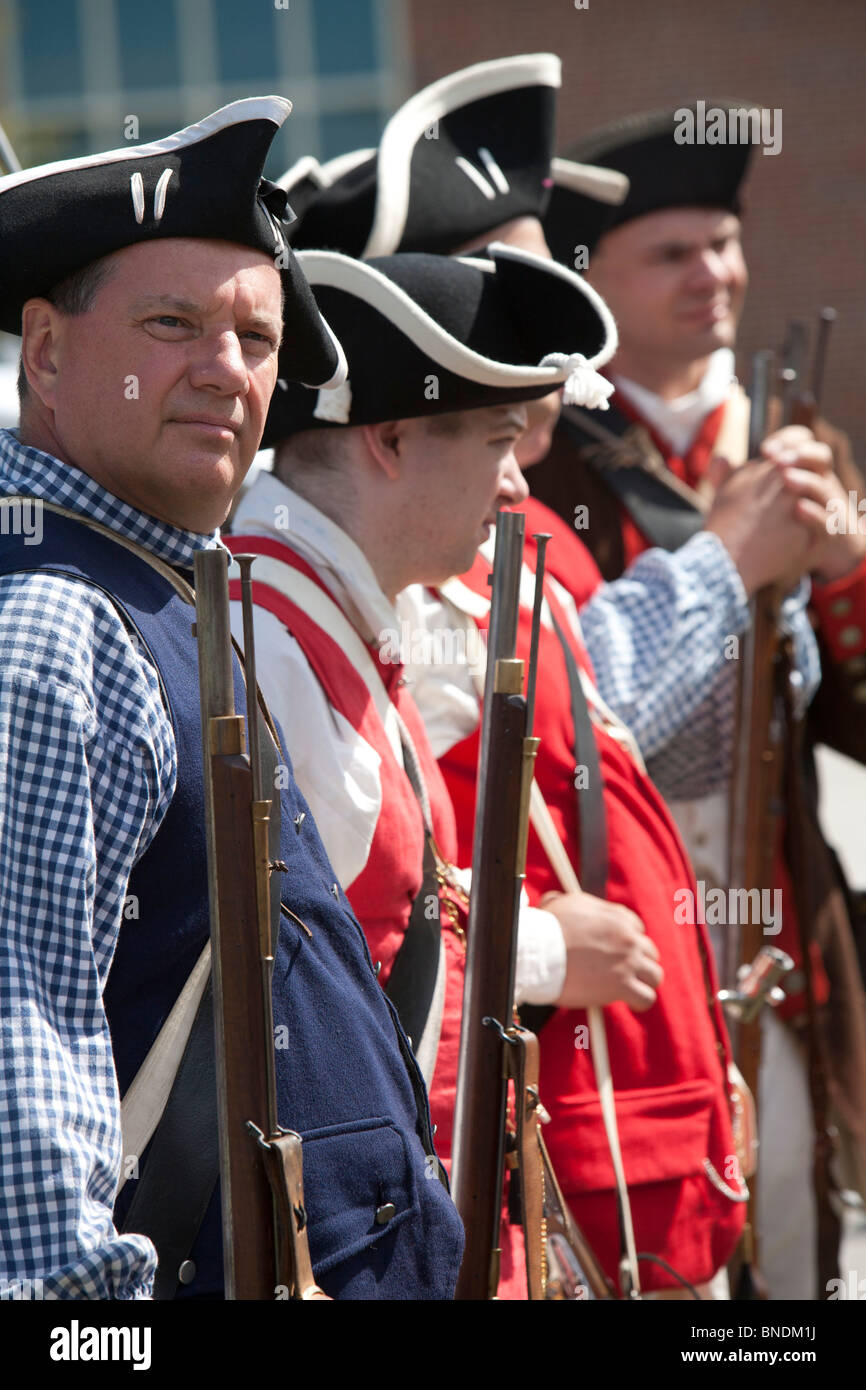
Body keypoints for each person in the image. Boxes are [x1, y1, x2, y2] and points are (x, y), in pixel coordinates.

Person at [279, 59, 829, 1296]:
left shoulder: (506, 500)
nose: (550, 306)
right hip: (535, 1128)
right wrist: (529, 954)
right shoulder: (409, 531)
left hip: (644, 1105)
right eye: (511, 279)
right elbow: (357, 920)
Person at [0, 97, 464, 1302]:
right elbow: (20, 1051)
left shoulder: (145, 580)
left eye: (255, 343)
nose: (225, 372)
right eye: (172, 324)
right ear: (44, 352)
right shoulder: (55, 621)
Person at [227, 241, 663, 1296]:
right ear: (388, 439)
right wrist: (547, 957)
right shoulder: (274, 642)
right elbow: (298, 989)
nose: (517, 481)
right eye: (499, 442)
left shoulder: (316, 616)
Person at [529, 104, 866, 1297]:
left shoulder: (794, 434)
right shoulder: (544, 452)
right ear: (597, 279)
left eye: (722, 244)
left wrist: (844, 568)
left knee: (797, 1249)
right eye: (671, 253)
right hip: (622, 939)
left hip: (775, 925)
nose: (711, 274)